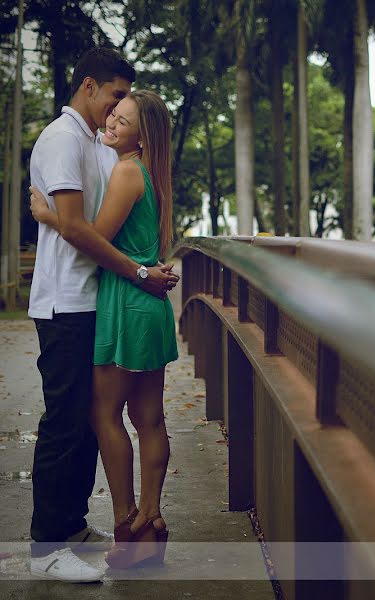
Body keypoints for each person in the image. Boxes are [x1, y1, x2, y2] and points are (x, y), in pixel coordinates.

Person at [27, 48, 178, 582]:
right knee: (68, 425)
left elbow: (83, 224)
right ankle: (50, 547)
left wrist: (53, 217)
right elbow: (77, 226)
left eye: (124, 109)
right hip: (68, 299)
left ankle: (75, 527)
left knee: (91, 424)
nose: (115, 111)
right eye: (115, 98)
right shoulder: (65, 139)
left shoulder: (102, 147)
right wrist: (141, 273)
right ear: (88, 85)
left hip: (103, 300)